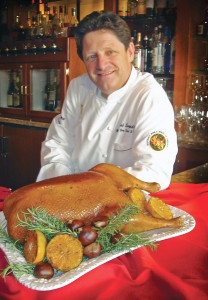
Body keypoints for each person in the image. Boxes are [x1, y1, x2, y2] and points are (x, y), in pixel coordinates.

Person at [36, 11, 178, 190]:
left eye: (110, 52)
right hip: (73, 195)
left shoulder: (149, 97)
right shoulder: (78, 87)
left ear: (130, 52)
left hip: (123, 204)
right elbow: (58, 144)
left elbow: (153, 171)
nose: (101, 65)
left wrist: (92, 190)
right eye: (92, 57)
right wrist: (63, 188)